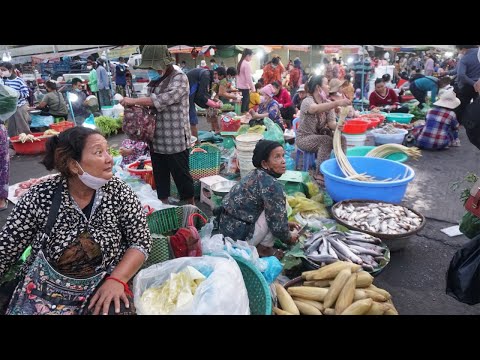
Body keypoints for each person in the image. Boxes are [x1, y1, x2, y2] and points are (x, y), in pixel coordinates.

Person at [0, 127, 152, 315]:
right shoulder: (41, 196)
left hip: (102, 285)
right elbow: (6, 248)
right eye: (98, 152)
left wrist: (117, 279)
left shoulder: (119, 192)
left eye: (107, 151)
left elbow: (141, 242)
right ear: (73, 165)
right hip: (45, 290)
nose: (109, 158)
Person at [120, 45, 194, 205]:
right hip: (155, 138)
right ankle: (163, 205)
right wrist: (134, 106)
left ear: (164, 63)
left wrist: (134, 100)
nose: (151, 70)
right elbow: (149, 103)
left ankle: (191, 208)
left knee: (182, 176)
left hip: (175, 139)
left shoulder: (179, 78)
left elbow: (163, 99)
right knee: (160, 176)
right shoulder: (156, 79)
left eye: (153, 66)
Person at [217, 140, 300, 259]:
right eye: (277, 157)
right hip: (239, 241)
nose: (283, 161)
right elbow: (277, 226)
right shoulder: (272, 185)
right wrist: (290, 237)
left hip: (226, 231)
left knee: (275, 208)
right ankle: (264, 249)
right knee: (280, 206)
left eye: (283, 155)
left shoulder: (255, 174)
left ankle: (261, 245)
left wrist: (285, 224)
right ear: (265, 163)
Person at [296, 75, 350, 183]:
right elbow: (314, 109)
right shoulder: (307, 101)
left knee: (342, 139)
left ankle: (342, 167)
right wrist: (337, 103)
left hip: (318, 137)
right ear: (318, 88)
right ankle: (320, 173)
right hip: (304, 139)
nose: (328, 87)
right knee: (326, 140)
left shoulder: (327, 104)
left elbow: (331, 123)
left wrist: (338, 125)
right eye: (326, 84)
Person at [187, 68, 222, 136]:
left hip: (190, 93)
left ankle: (194, 139)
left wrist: (209, 104)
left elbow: (204, 94)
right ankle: (196, 141)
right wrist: (214, 104)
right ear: (215, 74)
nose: (218, 80)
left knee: (191, 119)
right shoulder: (206, 75)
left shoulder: (207, 75)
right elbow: (200, 96)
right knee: (192, 119)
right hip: (188, 94)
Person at [0, 61, 31, 137]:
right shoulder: (3, 81)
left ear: (10, 70)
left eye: (3, 70)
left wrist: (15, 95)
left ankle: (28, 140)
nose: (1, 72)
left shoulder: (19, 81)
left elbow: (26, 94)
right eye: (0, 70)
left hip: (19, 107)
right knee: (11, 127)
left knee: (22, 126)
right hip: (9, 108)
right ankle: (12, 143)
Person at [454, 45, 480, 124]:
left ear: (464, 48)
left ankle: (460, 123)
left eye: (460, 50)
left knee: (462, 105)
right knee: (477, 106)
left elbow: (461, 75)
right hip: (479, 85)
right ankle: (475, 123)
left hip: (467, 85)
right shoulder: (478, 53)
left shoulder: (465, 58)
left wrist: (473, 83)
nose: (460, 52)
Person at [236, 48, 255, 114]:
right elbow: (249, 78)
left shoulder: (240, 63)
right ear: (247, 55)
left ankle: (239, 120)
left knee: (240, 107)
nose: (251, 58)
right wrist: (253, 88)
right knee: (244, 108)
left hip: (239, 88)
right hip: (245, 88)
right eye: (251, 56)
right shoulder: (246, 64)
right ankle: (242, 121)